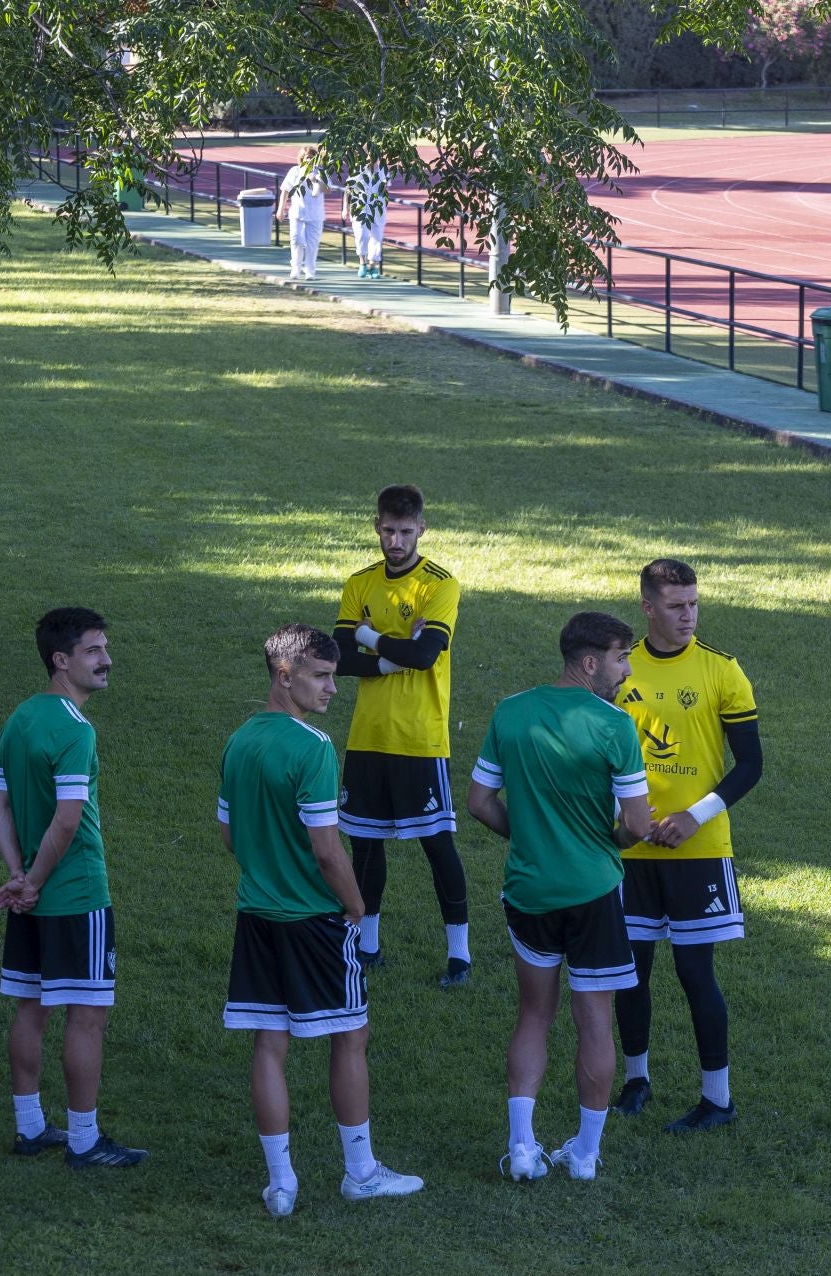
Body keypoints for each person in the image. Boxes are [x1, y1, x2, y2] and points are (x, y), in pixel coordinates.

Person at [218, 623, 424, 1217]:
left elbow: (230, 834)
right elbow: (328, 850)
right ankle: (360, 1172)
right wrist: (357, 908)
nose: (334, 688)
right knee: (350, 1037)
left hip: (256, 915)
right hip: (314, 919)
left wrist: (266, 865)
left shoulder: (239, 740)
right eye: (322, 676)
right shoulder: (313, 748)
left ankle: (281, 1184)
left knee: (269, 1044)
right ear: (285, 676)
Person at [467, 612, 651, 1183]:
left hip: (529, 890)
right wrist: (611, 842)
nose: (626, 672)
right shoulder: (615, 726)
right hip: (593, 892)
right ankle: (585, 1155)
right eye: (621, 659)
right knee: (594, 1019)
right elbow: (637, 825)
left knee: (533, 1014)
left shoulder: (510, 712)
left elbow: (478, 802)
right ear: (590, 662)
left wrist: (527, 836)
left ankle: (522, 1147)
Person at [611, 559, 763, 1134]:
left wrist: (694, 817)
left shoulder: (722, 670)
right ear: (647, 607)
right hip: (630, 848)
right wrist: (624, 819)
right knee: (630, 972)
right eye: (676, 606)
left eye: (694, 604)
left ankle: (717, 1099)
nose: (689, 615)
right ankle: (636, 1080)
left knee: (696, 973)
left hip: (698, 850)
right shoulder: (620, 669)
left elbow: (750, 765)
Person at [0, 607, 144, 1169]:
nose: (107, 660)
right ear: (61, 659)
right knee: (87, 1015)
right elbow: (68, 819)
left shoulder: (21, 717)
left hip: (30, 895)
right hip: (76, 894)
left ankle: (30, 1127)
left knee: (31, 1007)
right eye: (94, 651)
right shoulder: (76, 730)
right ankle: (83, 1140)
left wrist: (17, 874)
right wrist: (33, 881)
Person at [332, 484, 468, 986]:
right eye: (388, 530)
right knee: (365, 845)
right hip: (367, 735)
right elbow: (338, 659)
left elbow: (425, 656)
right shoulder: (359, 582)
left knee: (437, 844)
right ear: (376, 526)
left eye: (405, 532)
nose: (395, 541)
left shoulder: (440, 585)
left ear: (421, 529)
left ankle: (459, 955)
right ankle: (367, 947)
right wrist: (391, 656)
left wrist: (368, 636)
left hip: (419, 738)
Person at [277, 147, 326, 282]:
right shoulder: (295, 171)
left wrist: (317, 180)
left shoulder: (320, 172)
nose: (309, 160)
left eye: (312, 157)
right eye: (307, 157)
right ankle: (295, 268)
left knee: (312, 244)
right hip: (297, 212)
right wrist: (281, 209)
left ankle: (310, 271)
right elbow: (285, 190)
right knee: (296, 240)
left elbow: (328, 189)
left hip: (315, 215)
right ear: (302, 159)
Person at [348, 163, 388, 278]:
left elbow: (385, 190)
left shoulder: (383, 170)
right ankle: (362, 262)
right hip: (360, 208)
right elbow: (348, 189)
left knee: (377, 238)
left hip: (377, 209)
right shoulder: (358, 169)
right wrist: (345, 208)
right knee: (362, 236)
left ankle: (373, 266)